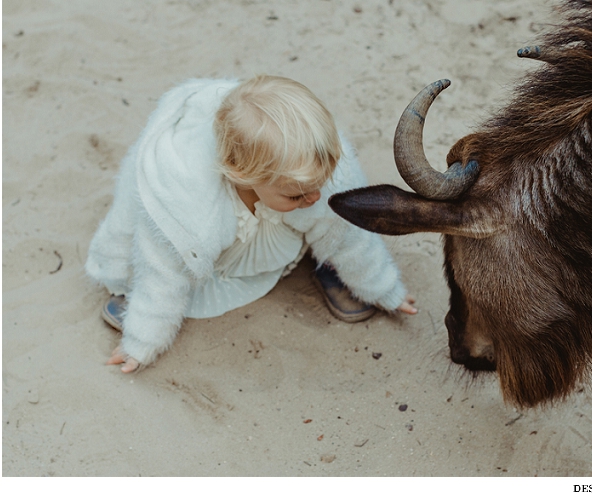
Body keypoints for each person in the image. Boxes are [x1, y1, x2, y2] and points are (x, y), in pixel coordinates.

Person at [86, 75, 417, 373]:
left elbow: (352, 239)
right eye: (297, 194)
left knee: (331, 219)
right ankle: (142, 308)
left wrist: (386, 289)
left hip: (274, 233)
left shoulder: (311, 171)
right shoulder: (188, 198)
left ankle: (323, 257)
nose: (314, 196)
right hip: (207, 238)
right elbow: (163, 272)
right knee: (177, 268)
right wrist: (142, 341)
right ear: (241, 175)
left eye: (320, 184)